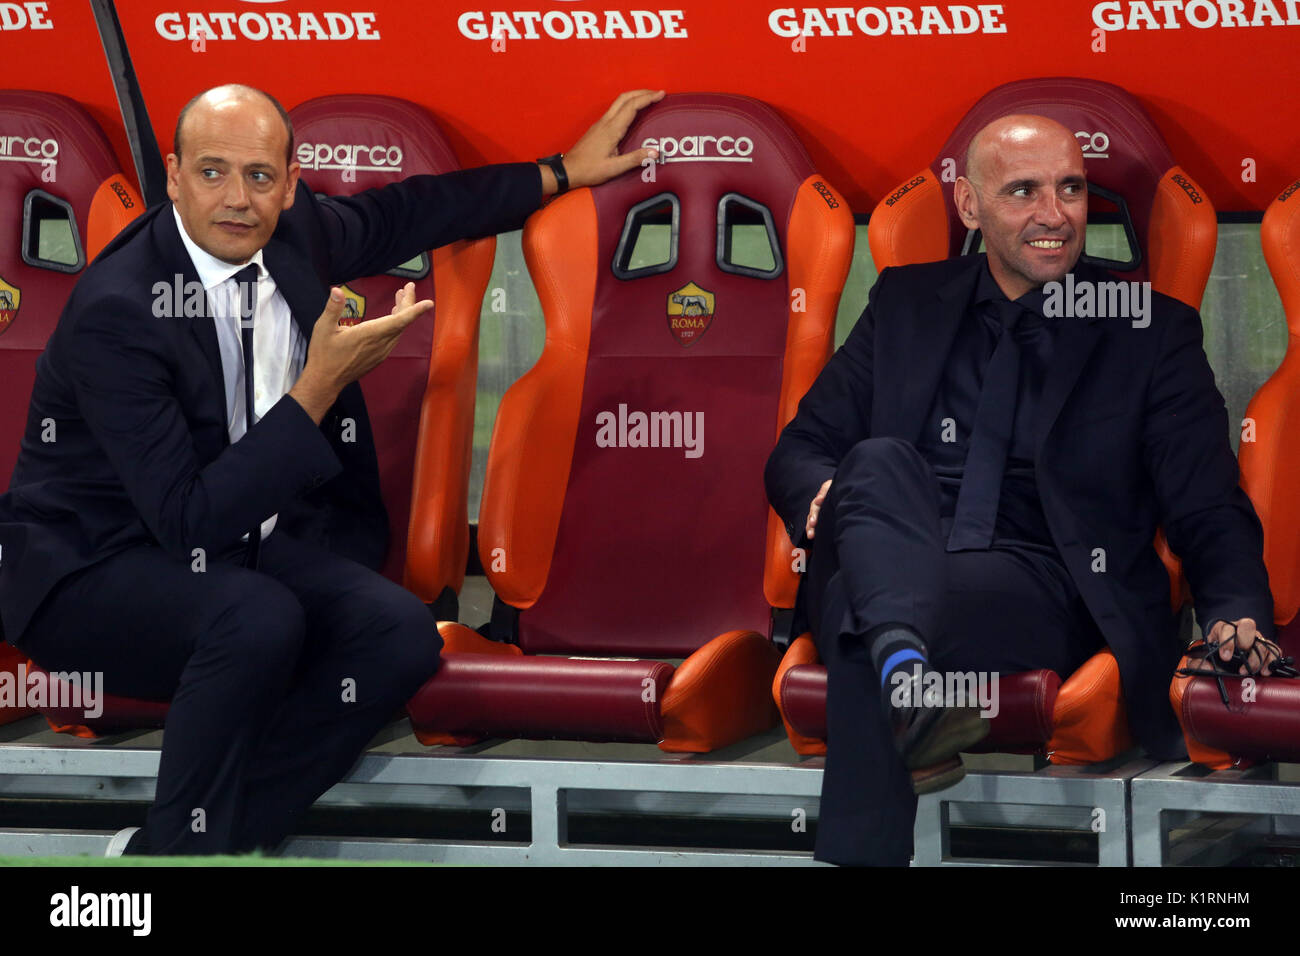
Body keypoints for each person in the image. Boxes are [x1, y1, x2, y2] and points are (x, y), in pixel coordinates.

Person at [0, 83, 665, 856]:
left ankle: (214, 836)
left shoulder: (292, 233)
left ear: (289, 183)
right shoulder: (118, 311)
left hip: (226, 549)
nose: (236, 199)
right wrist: (318, 387)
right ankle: (181, 848)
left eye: (258, 176)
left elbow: (408, 214)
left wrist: (558, 172)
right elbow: (186, 519)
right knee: (254, 616)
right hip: (89, 567)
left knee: (398, 633)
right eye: (212, 173)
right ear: (174, 176)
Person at [764, 114, 1277, 866]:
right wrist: (822, 496)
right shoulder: (906, 304)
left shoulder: (1149, 330)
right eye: (1024, 191)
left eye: (1071, 188)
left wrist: (1235, 609)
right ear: (970, 207)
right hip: (899, 548)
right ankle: (910, 683)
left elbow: (1205, 499)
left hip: (1040, 583)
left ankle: (906, 682)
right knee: (874, 467)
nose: (1055, 214)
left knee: (853, 605)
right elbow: (801, 450)